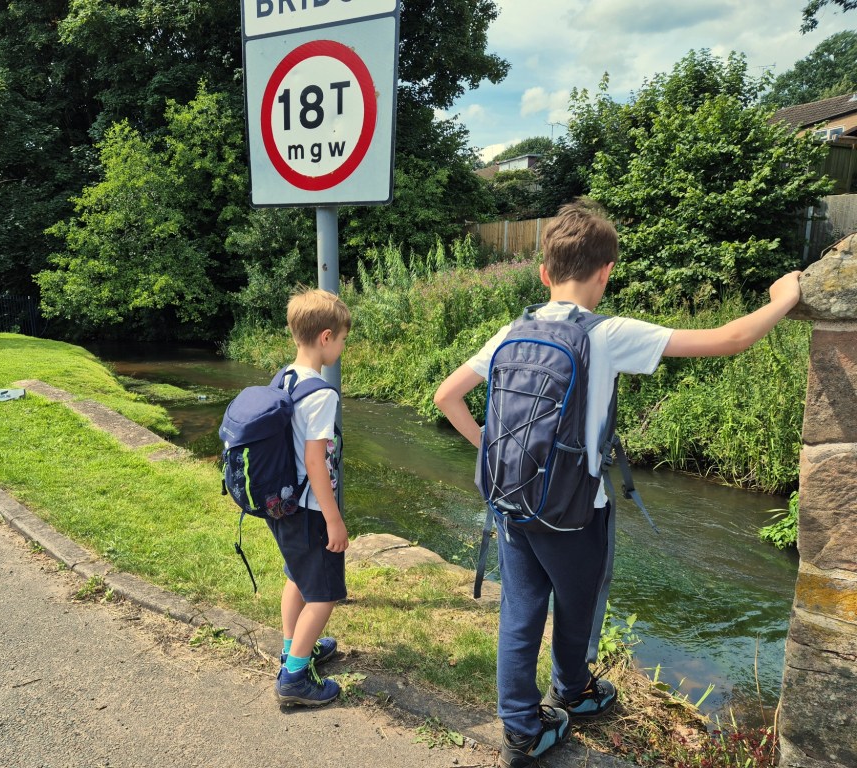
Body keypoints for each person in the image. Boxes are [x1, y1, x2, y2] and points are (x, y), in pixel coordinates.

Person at [433, 199, 803, 768]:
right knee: (579, 605)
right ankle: (574, 692)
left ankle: (520, 728)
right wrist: (785, 297)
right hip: (575, 510)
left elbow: (446, 396)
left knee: (522, 610)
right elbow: (730, 339)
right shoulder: (606, 334)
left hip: (511, 501)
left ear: (544, 273)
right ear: (605, 273)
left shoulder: (513, 328)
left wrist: (493, 450)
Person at [271, 288, 351, 707]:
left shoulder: (285, 377)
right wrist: (334, 520)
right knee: (323, 595)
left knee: (296, 578)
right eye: (341, 339)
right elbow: (316, 462)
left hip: (284, 505)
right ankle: (295, 678)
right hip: (311, 511)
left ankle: (292, 651)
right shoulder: (320, 393)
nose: (341, 347)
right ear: (325, 337)